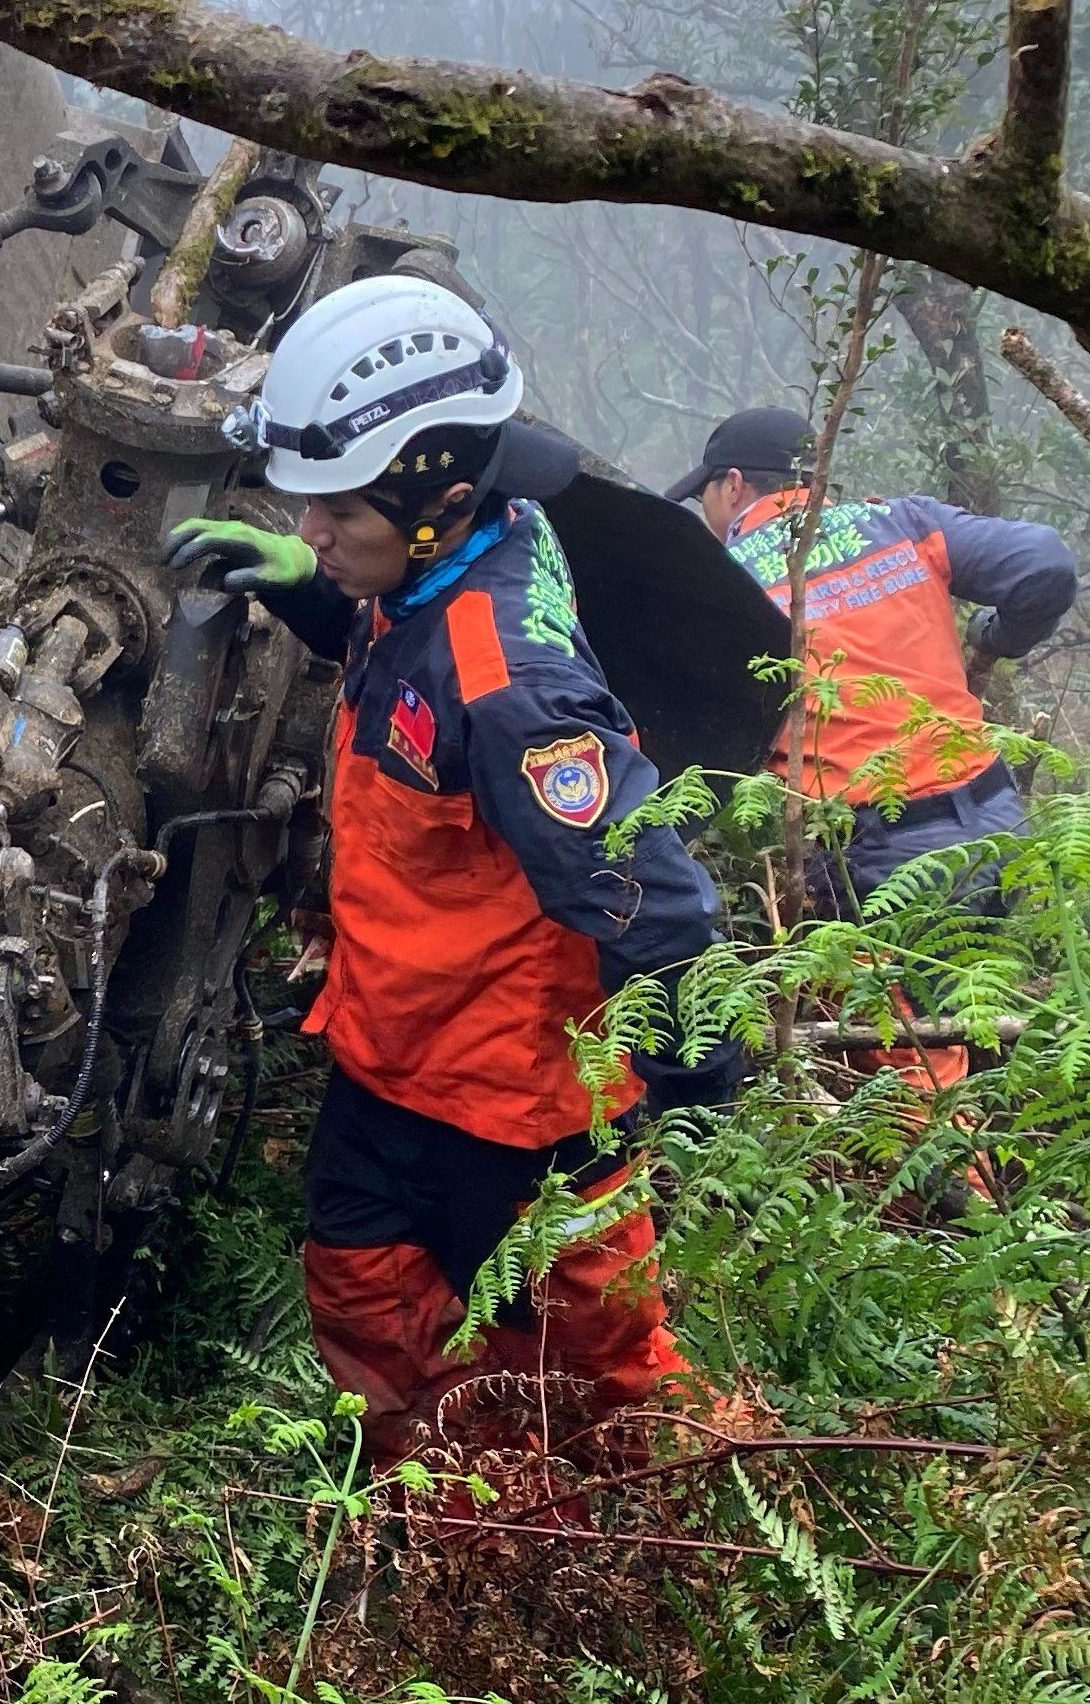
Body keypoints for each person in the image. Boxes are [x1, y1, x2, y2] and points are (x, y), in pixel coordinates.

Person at [167, 275, 739, 1451]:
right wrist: (309, 596)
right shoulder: (442, 559)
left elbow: (650, 894)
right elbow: (405, 671)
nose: (313, 533)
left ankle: (613, 1534)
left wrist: (690, 1092)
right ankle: (444, 1507)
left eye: (336, 516)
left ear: (436, 489)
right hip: (391, 1046)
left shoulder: (513, 692)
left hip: (512, 1101)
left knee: (588, 1368)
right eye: (306, 508)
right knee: (362, 1285)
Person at [668, 409, 1078, 917]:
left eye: (703, 495)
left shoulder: (720, 581)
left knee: (899, 996)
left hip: (880, 849)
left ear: (732, 485)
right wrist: (998, 637)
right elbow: (1045, 563)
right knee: (982, 987)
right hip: (998, 814)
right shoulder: (902, 522)